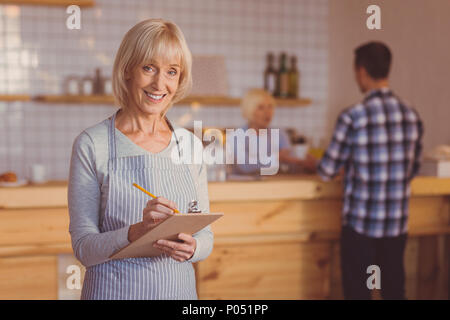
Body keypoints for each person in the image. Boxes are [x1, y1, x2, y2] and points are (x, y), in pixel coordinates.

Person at [68, 19, 213, 300]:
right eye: (149, 68)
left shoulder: (190, 145)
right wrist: (135, 232)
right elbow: (84, 248)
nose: (160, 83)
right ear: (127, 71)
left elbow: (206, 236)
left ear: (180, 79)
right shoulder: (92, 144)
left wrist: (193, 248)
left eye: (172, 72)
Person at [317, 42, 424, 300]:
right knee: (394, 292)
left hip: (360, 227)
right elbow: (414, 168)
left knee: (358, 294)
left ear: (361, 70)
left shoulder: (353, 116)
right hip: (396, 225)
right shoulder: (411, 115)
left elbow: (326, 170)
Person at [230, 88, 317, 175]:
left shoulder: (280, 134)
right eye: (261, 107)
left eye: (270, 106)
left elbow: (291, 162)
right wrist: (277, 157)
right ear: (249, 110)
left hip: (274, 184)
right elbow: (246, 166)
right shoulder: (237, 136)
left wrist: (305, 163)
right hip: (244, 186)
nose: (268, 112)